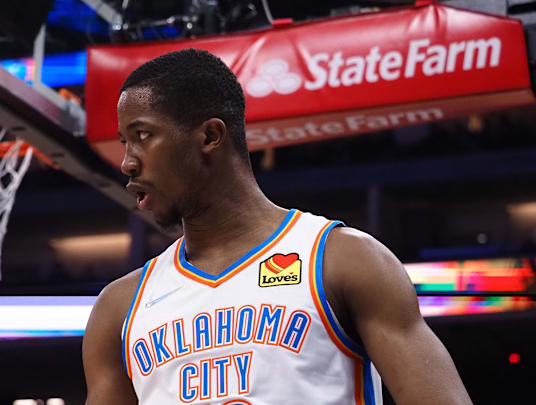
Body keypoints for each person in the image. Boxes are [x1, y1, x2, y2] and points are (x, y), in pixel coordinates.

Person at [83, 48, 472, 405]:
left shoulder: (341, 260)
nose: (128, 163)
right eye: (125, 143)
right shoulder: (120, 308)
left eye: (143, 136)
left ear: (210, 136)